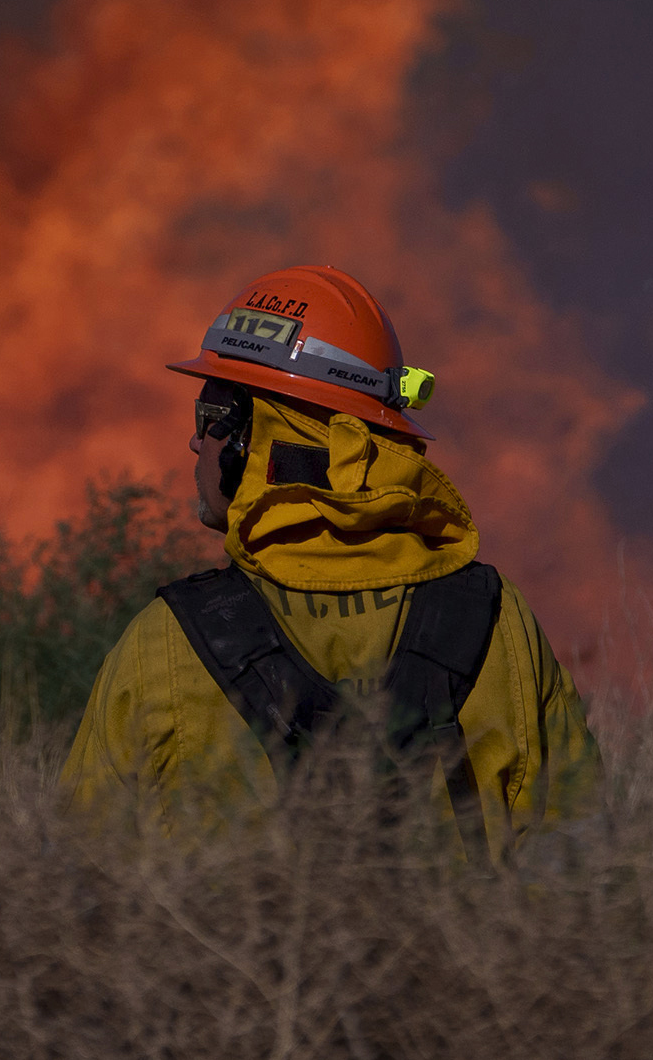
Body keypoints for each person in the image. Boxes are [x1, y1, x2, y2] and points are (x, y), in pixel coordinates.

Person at [61, 264, 600, 852]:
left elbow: (82, 872)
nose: (195, 441)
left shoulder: (164, 643)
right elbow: (582, 850)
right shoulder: (500, 621)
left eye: (209, 418)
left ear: (251, 443)